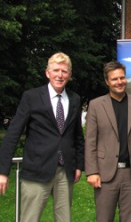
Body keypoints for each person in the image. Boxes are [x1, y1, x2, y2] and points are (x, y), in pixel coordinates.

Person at [0, 52, 84, 222]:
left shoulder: (75, 99)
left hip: (64, 172)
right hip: (37, 171)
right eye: (56, 70)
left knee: (65, 219)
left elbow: (77, 136)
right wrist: (3, 171)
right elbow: (13, 134)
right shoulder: (31, 97)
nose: (60, 75)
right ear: (47, 73)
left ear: (70, 74)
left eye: (64, 71)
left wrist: (79, 165)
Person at [85, 61, 131, 222]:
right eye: (114, 79)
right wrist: (92, 171)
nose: (119, 82)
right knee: (104, 218)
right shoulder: (95, 105)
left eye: (122, 78)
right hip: (105, 174)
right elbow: (90, 141)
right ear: (107, 82)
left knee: (129, 219)